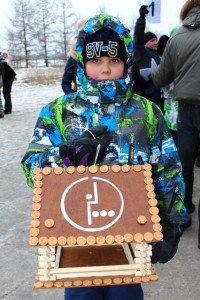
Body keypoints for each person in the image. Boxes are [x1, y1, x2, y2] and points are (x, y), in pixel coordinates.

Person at [21, 13, 190, 300]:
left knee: (126, 293)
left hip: (129, 235)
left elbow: (168, 169)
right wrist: (64, 157)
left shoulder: (147, 112)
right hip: (74, 234)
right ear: (83, 63)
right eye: (96, 61)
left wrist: (170, 222)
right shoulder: (58, 112)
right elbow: (32, 165)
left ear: (125, 62)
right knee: (80, 296)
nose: (106, 69)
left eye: (114, 60)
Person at [151, 0, 200, 214]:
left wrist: (149, 76)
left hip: (187, 110)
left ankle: (186, 208)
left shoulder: (176, 37)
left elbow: (162, 78)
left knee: (185, 162)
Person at [133, 5, 162, 108]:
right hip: (143, 101)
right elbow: (137, 37)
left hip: (157, 102)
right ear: (144, 43)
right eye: (152, 40)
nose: (155, 42)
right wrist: (141, 18)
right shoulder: (140, 53)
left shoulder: (158, 58)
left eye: (156, 40)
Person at [61, 18, 86, 94]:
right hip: (80, 98)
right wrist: (73, 98)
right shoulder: (73, 57)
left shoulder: (99, 51)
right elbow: (65, 83)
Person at [1, 50, 16, 114]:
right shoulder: (2, 61)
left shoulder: (3, 61)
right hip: (8, 77)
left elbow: (5, 71)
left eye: (5, 54)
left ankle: (8, 110)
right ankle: (8, 109)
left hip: (8, 77)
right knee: (6, 93)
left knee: (6, 93)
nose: (4, 55)